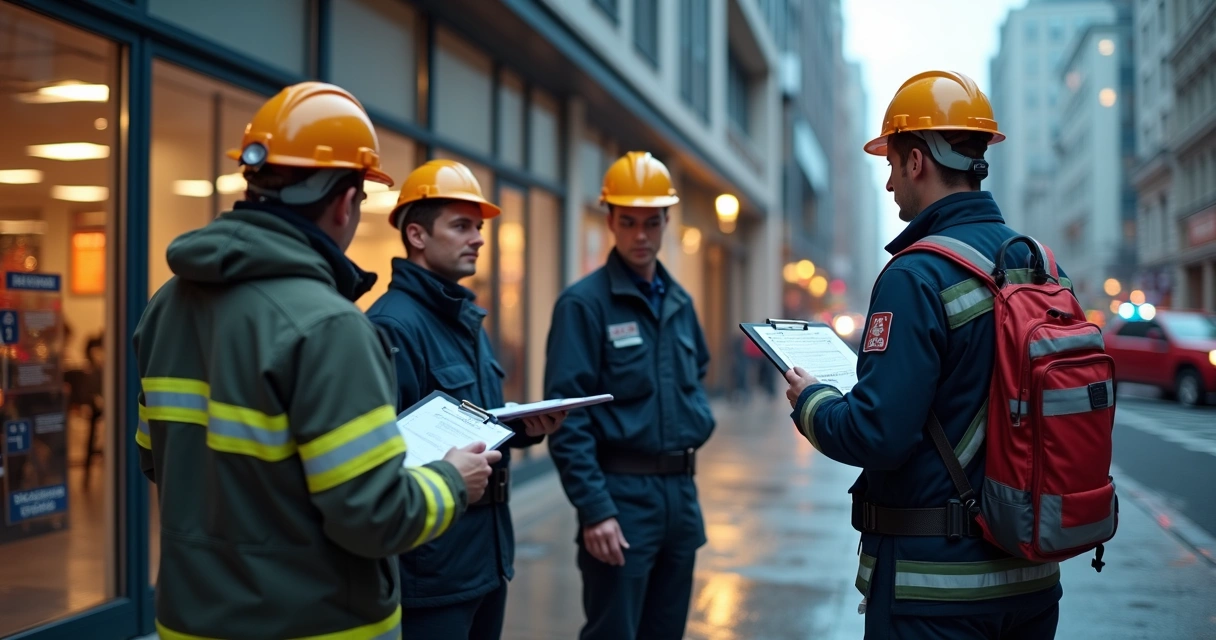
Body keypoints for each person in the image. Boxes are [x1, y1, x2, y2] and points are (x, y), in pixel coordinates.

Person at [133, 82, 500, 640]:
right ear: (346, 200)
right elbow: (376, 517)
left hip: (190, 620)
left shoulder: (165, 305)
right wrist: (452, 480)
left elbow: (155, 458)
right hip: (311, 624)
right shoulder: (329, 327)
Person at [783, 70, 1072, 639]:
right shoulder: (1042, 265)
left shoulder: (915, 274)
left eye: (891, 163)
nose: (889, 182)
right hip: (1034, 578)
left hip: (934, 590)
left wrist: (812, 401)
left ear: (917, 161)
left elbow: (878, 434)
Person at [366, 159, 565, 640]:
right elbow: (387, 458)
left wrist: (519, 428)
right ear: (416, 235)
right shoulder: (393, 325)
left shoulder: (465, 319)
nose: (478, 237)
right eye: (461, 226)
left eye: (477, 227)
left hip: (485, 559)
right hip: (431, 570)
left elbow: (466, 422)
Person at [544, 151, 716, 640]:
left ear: (666, 222)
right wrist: (595, 508)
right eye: (629, 222)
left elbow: (697, 373)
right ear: (610, 221)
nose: (641, 235)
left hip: (680, 498)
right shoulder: (584, 305)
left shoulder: (680, 302)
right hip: (621, 498)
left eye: (651, 222)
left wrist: (699, 420)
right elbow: (567, 417)